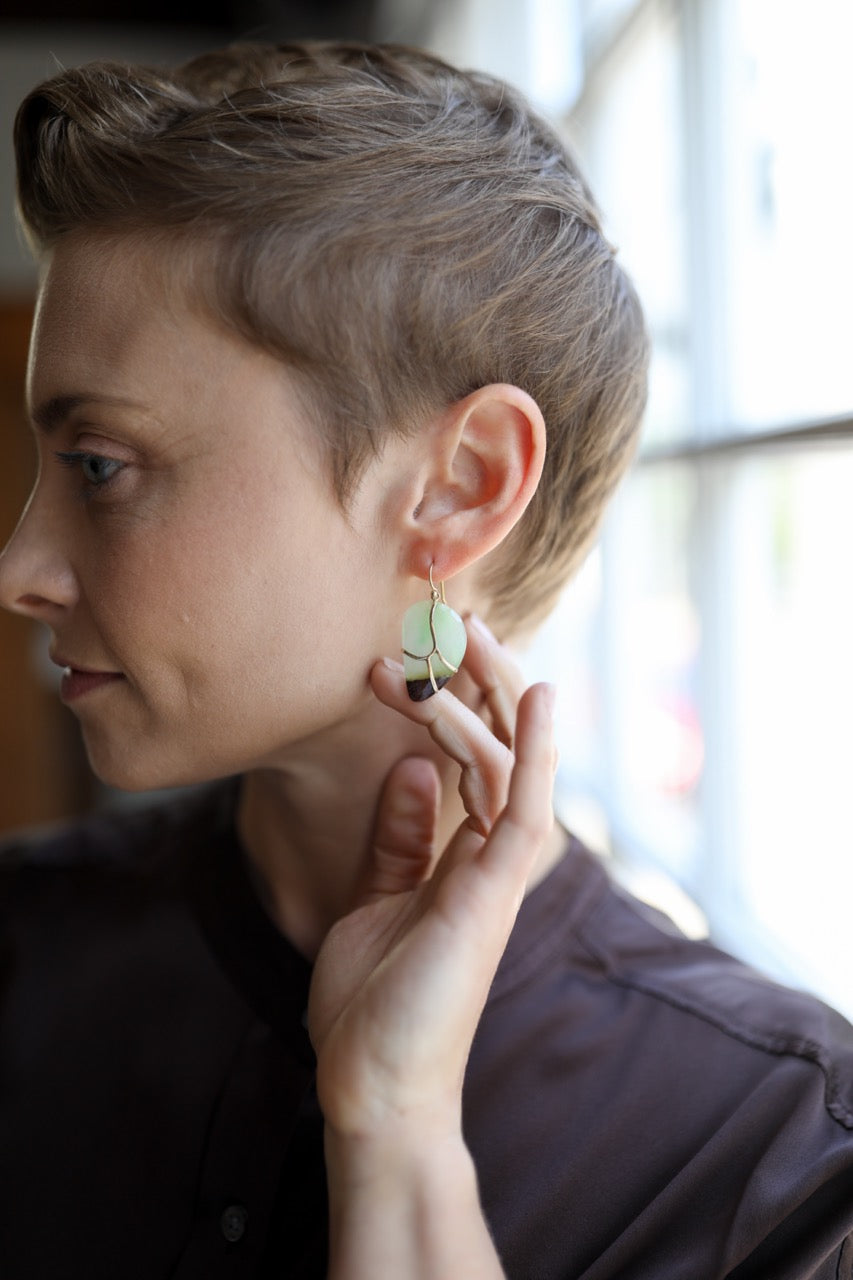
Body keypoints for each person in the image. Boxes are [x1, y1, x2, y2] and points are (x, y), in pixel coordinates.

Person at [0, 39, 850, 1280]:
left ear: (458, 488)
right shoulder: (21, 953)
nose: (20, 563)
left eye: (99, 469)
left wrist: (397, 1139)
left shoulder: (773, 1166)